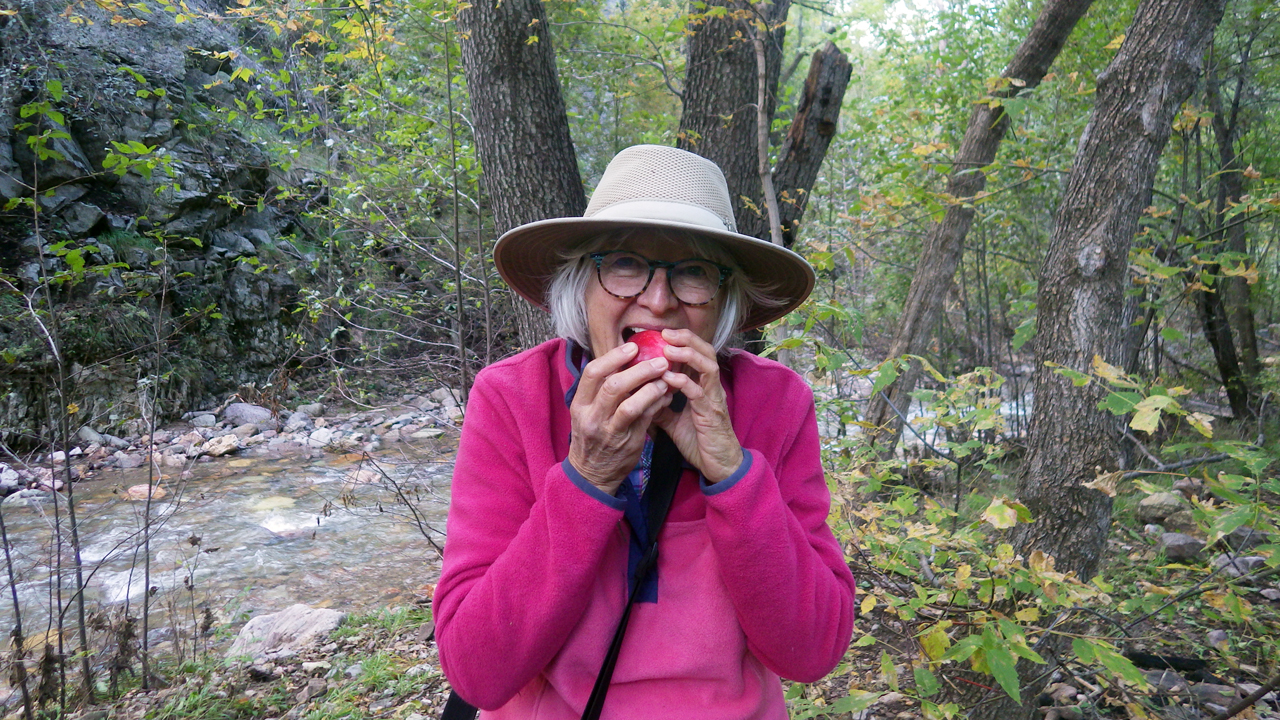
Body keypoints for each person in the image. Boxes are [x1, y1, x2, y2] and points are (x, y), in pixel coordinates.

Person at [433, 145, 856, 719]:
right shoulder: (512, 398)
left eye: (694, 272)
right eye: (625, 263)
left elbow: (811, 652)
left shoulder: (775, 402)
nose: (658, 301)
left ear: (723, 299)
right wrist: (587, 477)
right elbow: (477, 671)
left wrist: (733, 474)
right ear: (581, 283)